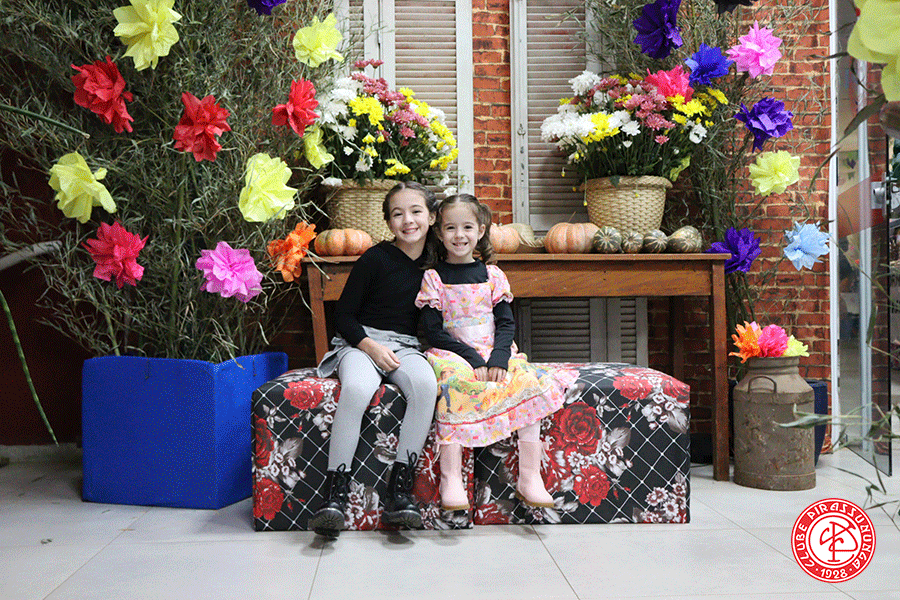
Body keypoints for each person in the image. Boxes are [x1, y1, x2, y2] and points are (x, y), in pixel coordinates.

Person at [415, 193, 577, 511]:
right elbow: (432, 331)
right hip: (453, 353)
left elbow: (505, 323)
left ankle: (529, 477)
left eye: (467, 227)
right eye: (450, 228)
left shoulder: (493, 276)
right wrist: (473, 359)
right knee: (453, 387)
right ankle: (451, 479)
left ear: (480, 230)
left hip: (493, 350)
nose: (459, 235)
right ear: (439, 232)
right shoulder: (433, 278)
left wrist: (499, 358)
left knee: (527, 381)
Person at [309, 181, 439, 538]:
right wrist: (369, 347)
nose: (408, 220)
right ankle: (334, 497)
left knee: (425, 386)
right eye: (398, 214)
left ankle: (400, 494)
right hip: (360, 342)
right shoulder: (375, 258)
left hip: (406, 346)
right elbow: (344, 316)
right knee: (357, 387)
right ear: (388, 222)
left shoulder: (437, 263)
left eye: (416, 211)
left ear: (431, 217)